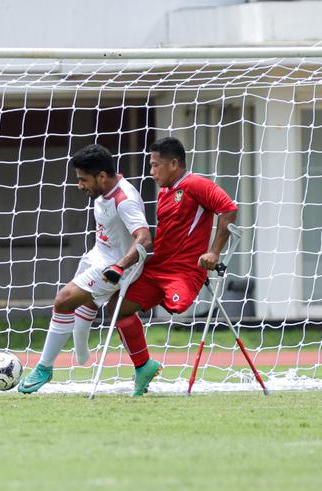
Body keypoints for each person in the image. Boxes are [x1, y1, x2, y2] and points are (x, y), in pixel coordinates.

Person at [19, 144, 152, 394]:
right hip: (97, 255)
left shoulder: (125, 200)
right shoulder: (104, 191)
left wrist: (120, 266)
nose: (80, 185)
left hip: (117, 265)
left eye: (83, 180)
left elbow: (144, 238)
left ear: (101, 176)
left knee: (63, 300)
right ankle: (87, 354)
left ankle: (44, 368)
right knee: (86, 304)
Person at [114, 137, 238, 395]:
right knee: (120, 309)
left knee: (178, 308)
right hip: (158, 268)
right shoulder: (165, 193)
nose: (151, 172)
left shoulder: (195, 184)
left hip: (184, 271)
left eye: (155, 165)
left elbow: (228, 208)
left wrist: (214, 252)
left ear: (174, 163)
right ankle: (143, 367)